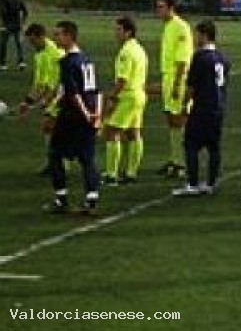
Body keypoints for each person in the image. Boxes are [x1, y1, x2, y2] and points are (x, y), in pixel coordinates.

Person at [46, 21, 102, 214]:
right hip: (90, 112)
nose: (56, 38)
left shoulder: (68, 62)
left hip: (73, 116)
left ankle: (61, 198)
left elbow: (73, 93)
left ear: (69, 36)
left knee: (55, 153)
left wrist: (85, 114)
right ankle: (92, 199)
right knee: (87, 158)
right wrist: (97, 115)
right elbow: (96, 90)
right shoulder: (86, 59)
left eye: (59, 35)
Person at [173, 20, 231, 197]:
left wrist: (184, 105)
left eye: (196, 34)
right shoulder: (222, 58)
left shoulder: (200, 57)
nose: (195, 38)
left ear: (204, 35)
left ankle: (192, 183)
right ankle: (210, 183)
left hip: (202, 106)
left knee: (191, 144)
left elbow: (192, 86)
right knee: (214, 147)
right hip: (218, 107)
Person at [101, 17, 148, 186]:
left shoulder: (126, 52)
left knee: (111, 132)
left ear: (128, 32)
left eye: (118, 30)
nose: (116, 33)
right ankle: (131, 172)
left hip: (127, 96)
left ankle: (111, 174)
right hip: (139, 94)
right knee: (133, 133)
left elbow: (122, 79)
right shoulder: (139, 49)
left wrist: (112, 97)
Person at [155, 0, 193, 179]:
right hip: (168, 78)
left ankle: (182, 163)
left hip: (178, 78)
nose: (159, 11)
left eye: (162, 7)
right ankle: (175, 159)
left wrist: (178, 84)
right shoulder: (168, 27)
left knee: (179, 120)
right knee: (171, 120)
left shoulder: (181, 27)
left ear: (171, 8)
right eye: (157, 7)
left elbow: (183, 59)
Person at [19, 23, 64, 175]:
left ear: (41, 37)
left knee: (52, 126)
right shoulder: (39, 53)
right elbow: (39, 83)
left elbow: (56, 81)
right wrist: (28, 101)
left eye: (33, 41)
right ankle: (55, 162)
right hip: (52, 94)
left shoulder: (54, 53)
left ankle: (59, 163)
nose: (31, 44)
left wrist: (47, 99)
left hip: (62, 94)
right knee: (49, 127)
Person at [0, 0, 28, 71]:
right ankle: (21, 62)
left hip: (7, 25)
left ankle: (3, 63)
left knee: (3, 44)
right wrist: (23, 22)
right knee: (19, 44)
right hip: (17, 25)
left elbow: (3, 12)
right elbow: (25, 11)